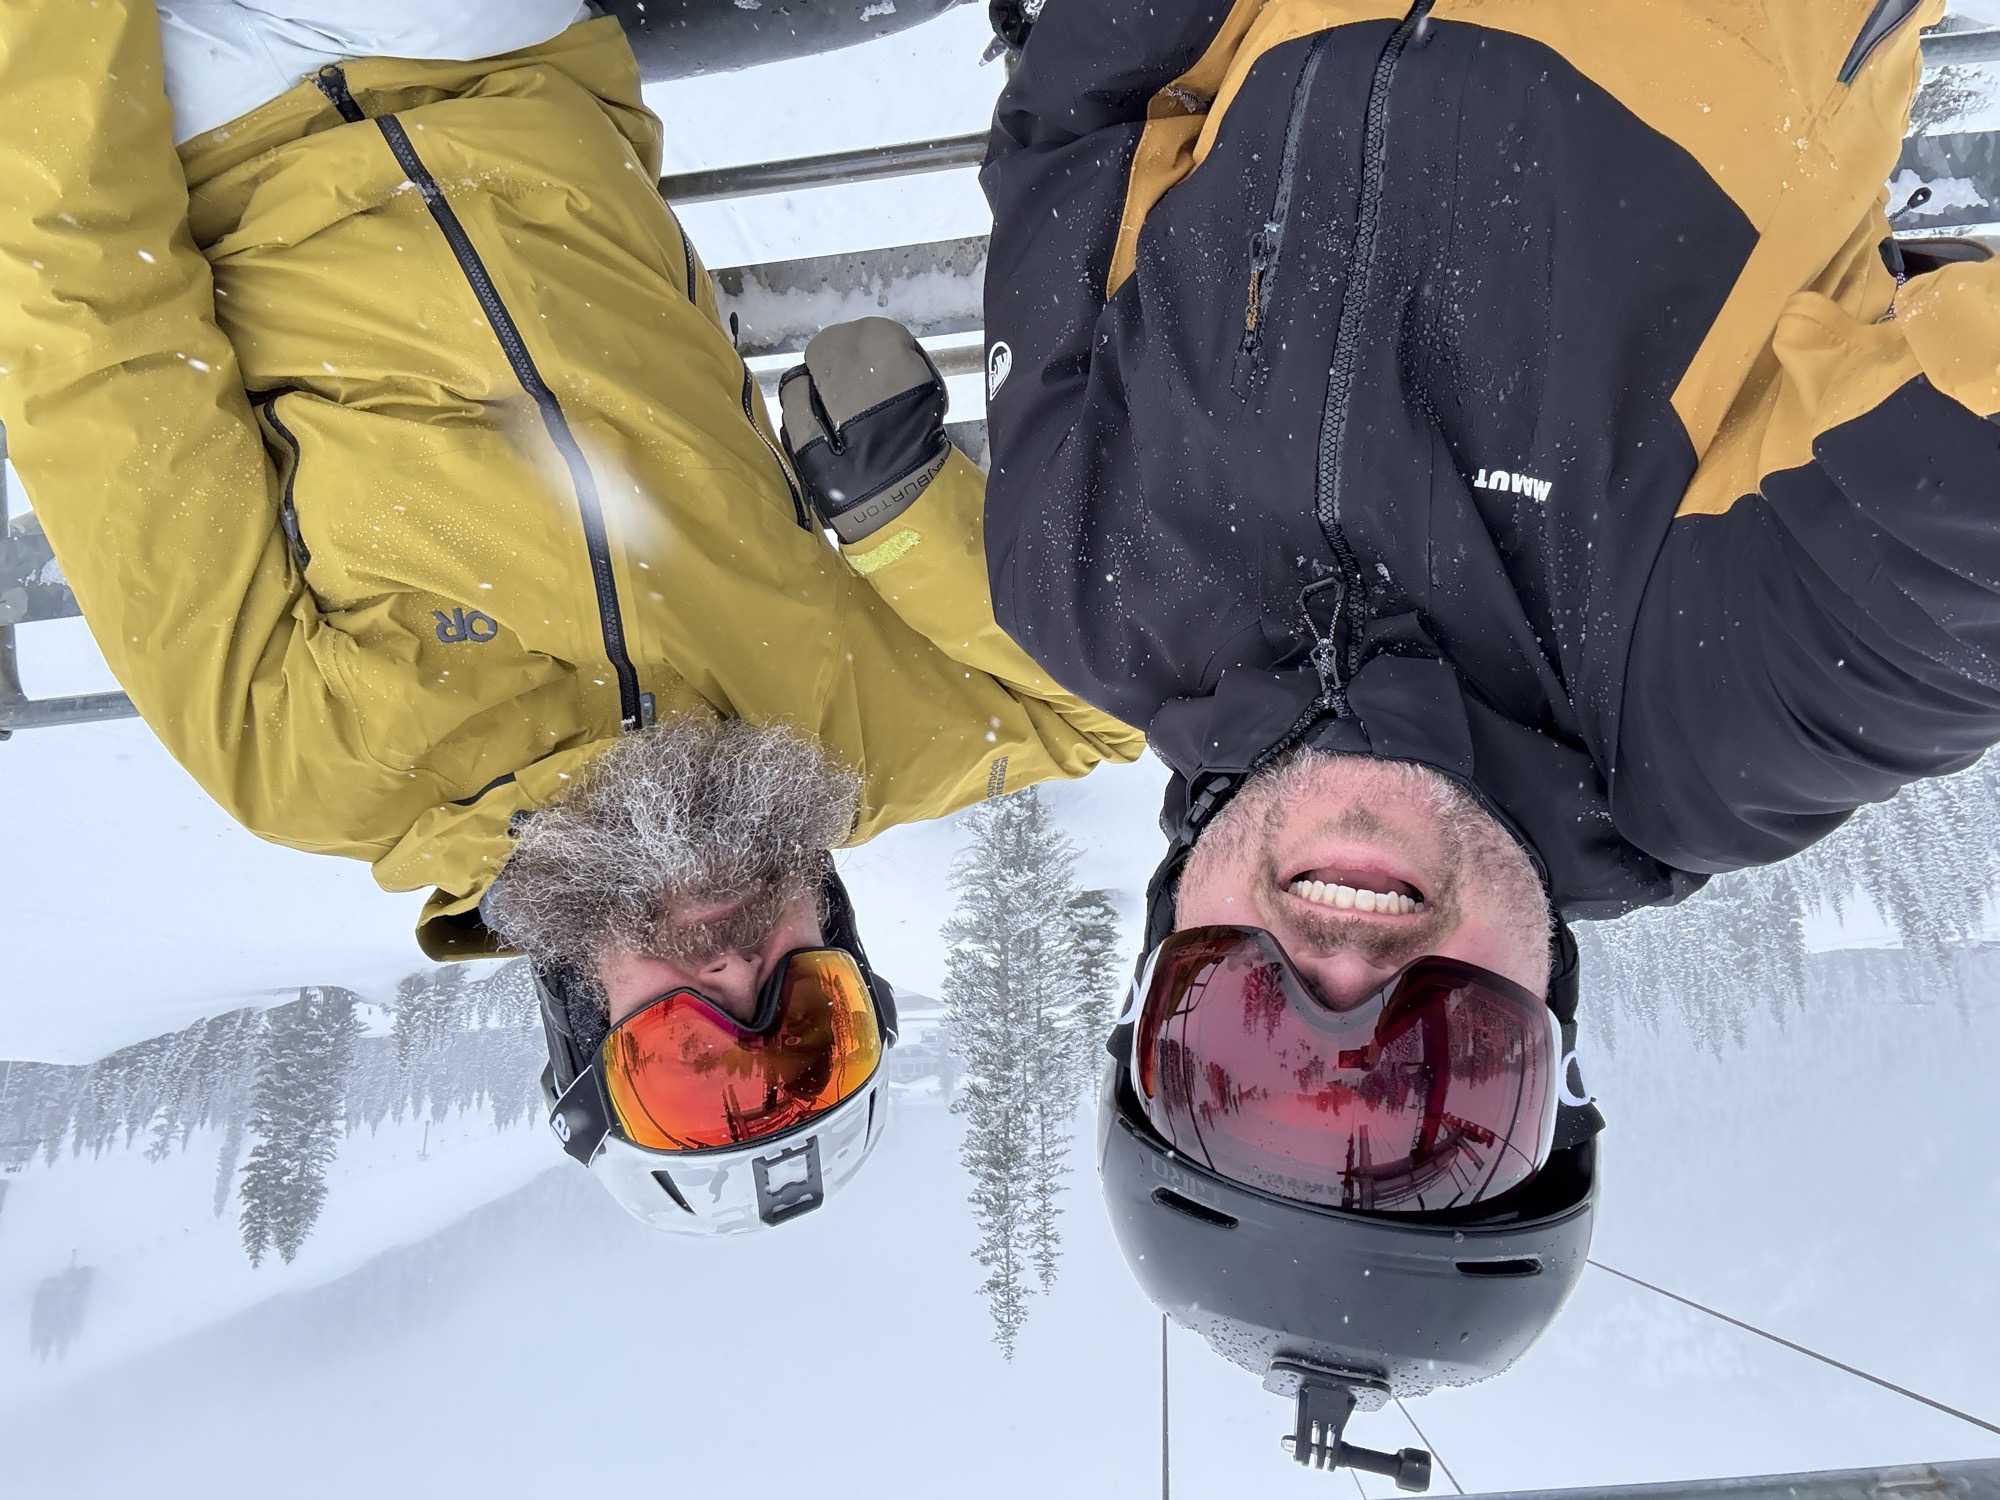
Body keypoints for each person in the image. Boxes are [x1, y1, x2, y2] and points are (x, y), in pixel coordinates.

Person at [957, 0, 2000, 1459]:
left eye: (1244, 1039)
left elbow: (1086, 122)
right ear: (1553, 1035)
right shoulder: (1695, 721)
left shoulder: (1085, 577)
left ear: (1154, 973)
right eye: (1440, 1063)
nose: (1343, 969)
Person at [0, 0, 1141, 1233]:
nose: (732, 979)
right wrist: (904, 517)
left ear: (584, 1020)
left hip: (231, 125)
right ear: (845, 956)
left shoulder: (325, 767)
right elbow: (1118, 699)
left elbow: (98, 357)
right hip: (506, 59)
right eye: (806, 1017)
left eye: (684, 1056)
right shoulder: (868, 748)